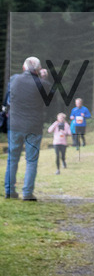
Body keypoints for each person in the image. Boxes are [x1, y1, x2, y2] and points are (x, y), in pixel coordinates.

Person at [4, 57, 53, 201]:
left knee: (12, 159)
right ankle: (27, 193)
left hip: (14, 125)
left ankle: (9, 191)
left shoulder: (14, 80)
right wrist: (45, 79)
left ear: (23, 67)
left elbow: (8, 97)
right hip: (33, 126)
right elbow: (49, 101)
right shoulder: (42, 84)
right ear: (38, 70)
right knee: (31, 161)